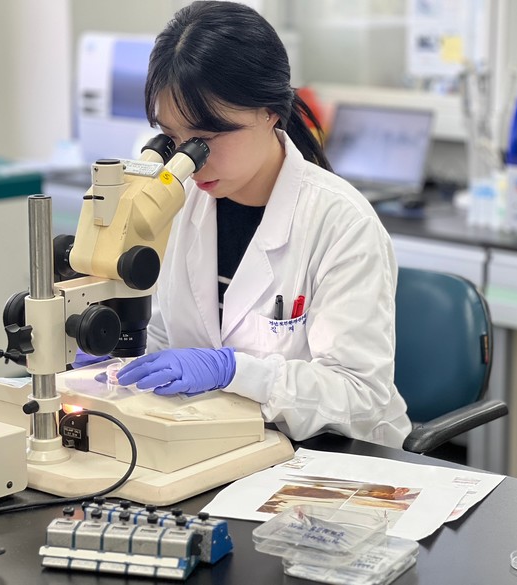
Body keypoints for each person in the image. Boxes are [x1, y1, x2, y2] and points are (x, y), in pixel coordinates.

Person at [116, 0, 411, 447]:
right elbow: (164, 333)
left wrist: (235, 371)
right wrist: (116, 355)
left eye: (205, 139)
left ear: (270, 111)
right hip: (221, 443)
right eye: (173, 138)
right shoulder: (180, 201)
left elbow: (359, 395)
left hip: (335, 455)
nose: (189, 162)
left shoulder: (341, 223)